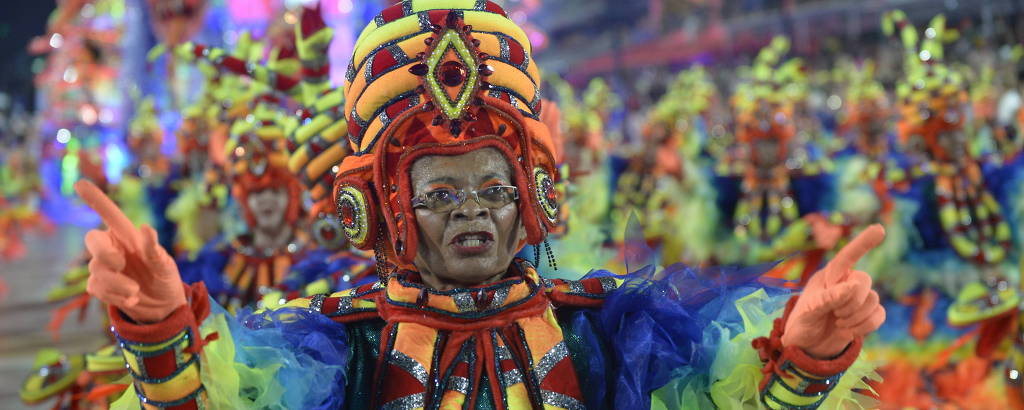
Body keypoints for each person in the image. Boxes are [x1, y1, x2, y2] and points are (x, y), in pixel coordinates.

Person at [79, 1, 886, 408]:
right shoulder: (344, 346)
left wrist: (810, 351)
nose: (474, 211)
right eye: (438, 192)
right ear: (384, 211)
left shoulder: (600, 326)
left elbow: (734, 396)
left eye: (495, 188)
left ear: (531, 197)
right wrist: (159, 328)